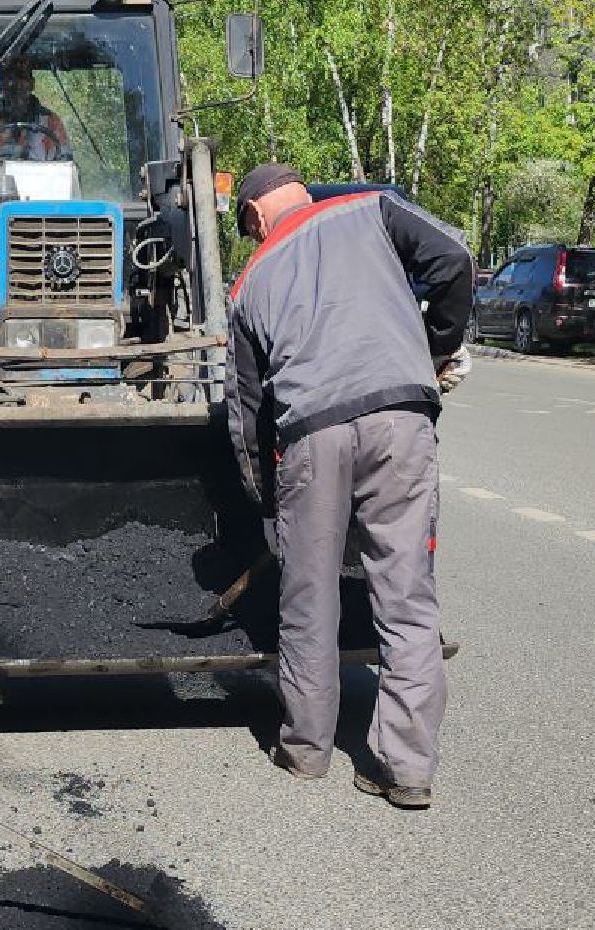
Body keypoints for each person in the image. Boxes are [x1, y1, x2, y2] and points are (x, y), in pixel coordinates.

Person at [224, 163, 473, 809]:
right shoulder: (374, 210)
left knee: (308, 597)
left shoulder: (249, 282)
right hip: (401, 420)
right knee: (406, 596)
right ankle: (406, 769)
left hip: (312, 435)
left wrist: (264, 497)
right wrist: (431, 350)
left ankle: (305, 750)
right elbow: (454, 260)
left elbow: (247, 409)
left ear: (253, 216)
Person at [0, 55, 70, 162]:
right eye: (9, 78)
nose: (15, 85)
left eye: (21, 78)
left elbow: (64, 162)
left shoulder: (51, 122)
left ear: (32, 84)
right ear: (0, 86)